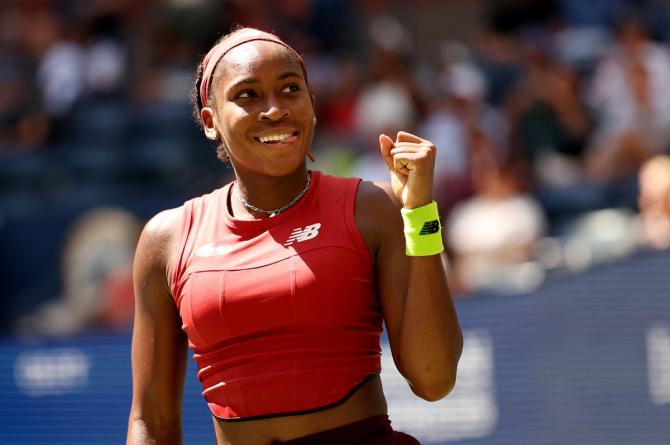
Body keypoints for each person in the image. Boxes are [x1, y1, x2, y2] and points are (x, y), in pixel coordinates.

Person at [126, 27, 462, 445]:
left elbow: (434, 380)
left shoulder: (370, 209)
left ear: (312, 105)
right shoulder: (167, 238)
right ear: (210, 121)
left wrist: (420, 215)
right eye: (248, 95)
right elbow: (151, 423)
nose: (274, 110)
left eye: (290, 89)